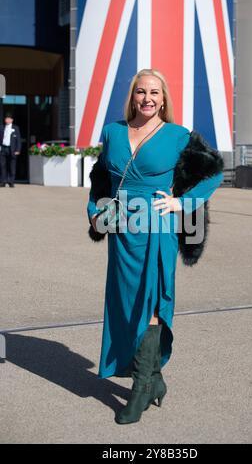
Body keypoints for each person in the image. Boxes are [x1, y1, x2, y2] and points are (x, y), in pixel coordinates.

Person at [86, 68, 224, 425]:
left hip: (156, 228)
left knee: (150, 303)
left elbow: (214, 172)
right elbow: (101, 177)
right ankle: (155, 380)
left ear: (164, 99)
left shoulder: (178, 135)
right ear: (132, 96)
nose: (147, 98)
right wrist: (94, 212)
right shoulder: (113, 131)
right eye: (141, 92)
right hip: (122, 230)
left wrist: (183, 203)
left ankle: (140, 388)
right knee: (125, 304)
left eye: (155, 93)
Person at [0, 112, 21, 187]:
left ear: (12, 120)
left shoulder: (15, 128)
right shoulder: (1, 127)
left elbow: (18, 140)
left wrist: (18, 150)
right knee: (2, 166)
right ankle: (3, 181)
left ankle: (11, 181)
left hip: (12, 149)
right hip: (3, 148)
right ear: (5, 120)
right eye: (6, 119)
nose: (7, 120)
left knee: (12, 166)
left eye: (9, 119)